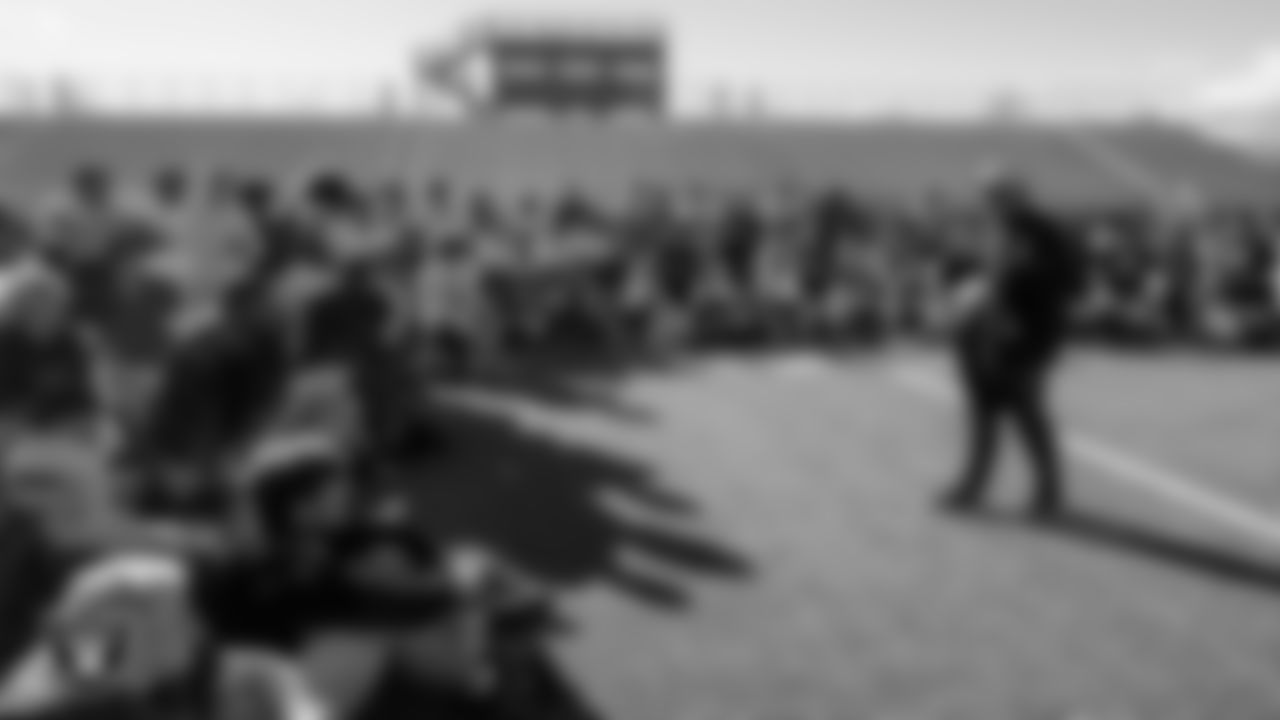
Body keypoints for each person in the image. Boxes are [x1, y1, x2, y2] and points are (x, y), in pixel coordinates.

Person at [940, 169, 1088, 520]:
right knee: (984, 416)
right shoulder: (999, 230)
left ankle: (1048, 495)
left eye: (998, 194)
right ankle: (973, 487)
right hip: (986, 336)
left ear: (1017, 195)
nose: (992, 202)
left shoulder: (1042, 232)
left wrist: (1019, 288)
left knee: (1027, 415)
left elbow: (1070, 284)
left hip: (1025, 337)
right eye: (989, 195)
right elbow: (985, 280)